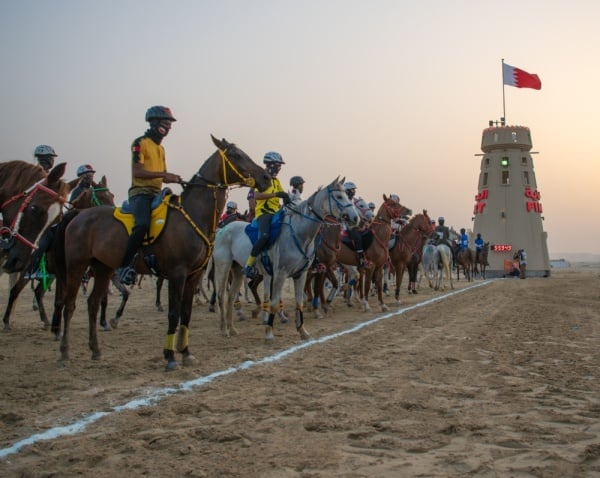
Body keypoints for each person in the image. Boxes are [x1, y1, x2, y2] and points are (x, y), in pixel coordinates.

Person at [117, 105, 182, 286]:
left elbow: (163, 173)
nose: (168, 128)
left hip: (157, 194)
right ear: (154, 123)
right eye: (166, 123)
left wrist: (173, 178)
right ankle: (124, 266)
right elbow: (138, 172)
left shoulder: (161, 149)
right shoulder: (140, 143)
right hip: (140, 194)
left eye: (170, 124)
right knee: (143, 224)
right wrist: (163, 175)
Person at [242, 151, 291, 279]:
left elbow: (282, 193)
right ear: (271, 165)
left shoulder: (276, 181)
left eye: (280, 165)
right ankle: (249, 265)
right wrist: (276, 195)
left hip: (276, 213)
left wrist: (287, 199)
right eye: (278, 165)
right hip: (264, 214)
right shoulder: (261, 178)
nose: (279, 168)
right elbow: (256, 196)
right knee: (264, 236)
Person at [343, 181, 371, 269]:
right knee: (357, 236)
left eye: (354, 190)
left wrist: (363, 220)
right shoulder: (344, 201)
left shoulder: (352, 201)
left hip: (353, 224)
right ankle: (361, 258)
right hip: (345, 225)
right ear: (347, 191)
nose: (354, 192)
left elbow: (355, 214)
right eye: (352, 190)